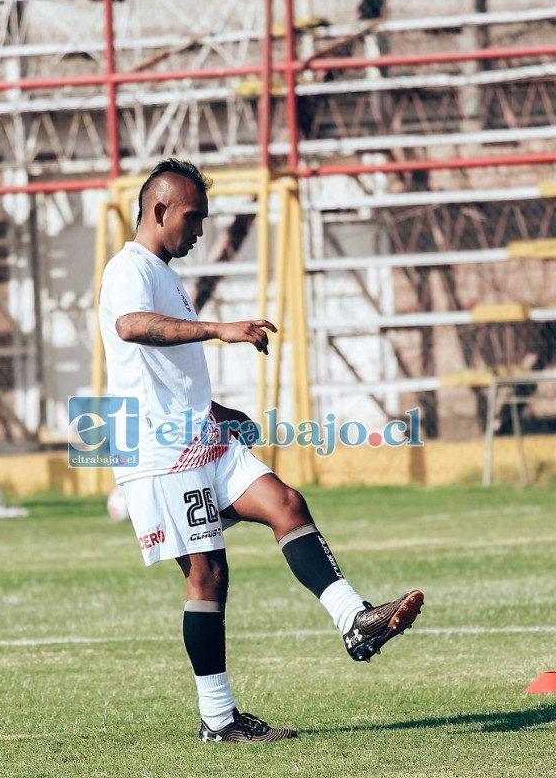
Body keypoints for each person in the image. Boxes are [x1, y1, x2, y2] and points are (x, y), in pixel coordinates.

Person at [97, 158, 424, 744]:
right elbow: (131, 328)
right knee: (207, 574)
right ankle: (219, 721)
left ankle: (356, 620)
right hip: (158, 449)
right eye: (192, 217)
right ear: (159, 210)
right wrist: (220, 329)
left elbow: (159, 370)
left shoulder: (166, 275)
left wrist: (216, 413)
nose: (199, 230)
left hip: (200, 434)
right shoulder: (129, 267)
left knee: (286, 504)